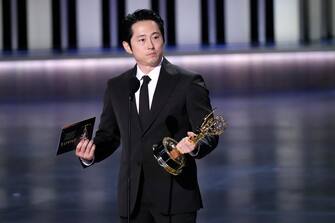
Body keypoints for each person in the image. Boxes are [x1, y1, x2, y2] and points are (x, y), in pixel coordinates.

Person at [75, 9, 219, 223]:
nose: (150, 45)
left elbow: (210, 131)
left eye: (156, 37)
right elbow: (109, 136)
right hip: (132, 197)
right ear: (127, 46)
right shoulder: (117, 86)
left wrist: (195, 145)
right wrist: (90, 154)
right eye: (141, 40)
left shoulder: (188, 82)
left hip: (175, 196)